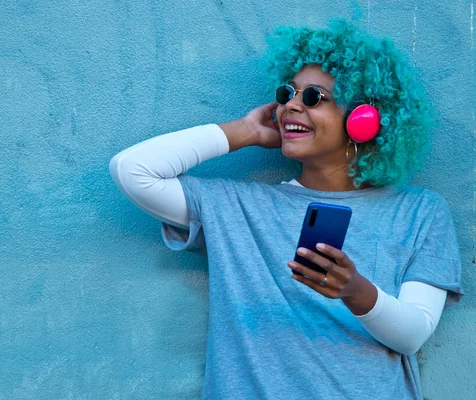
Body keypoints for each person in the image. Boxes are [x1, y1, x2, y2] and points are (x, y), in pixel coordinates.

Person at [109, 20, 463, 400]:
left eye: (314, 97)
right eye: (286, 94)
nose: (291, 104)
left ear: (364, 118)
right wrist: (246, 131)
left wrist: (355, 291)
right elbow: (133, 170)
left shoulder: (420, 212)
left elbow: (413, 334)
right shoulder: (236, 208)